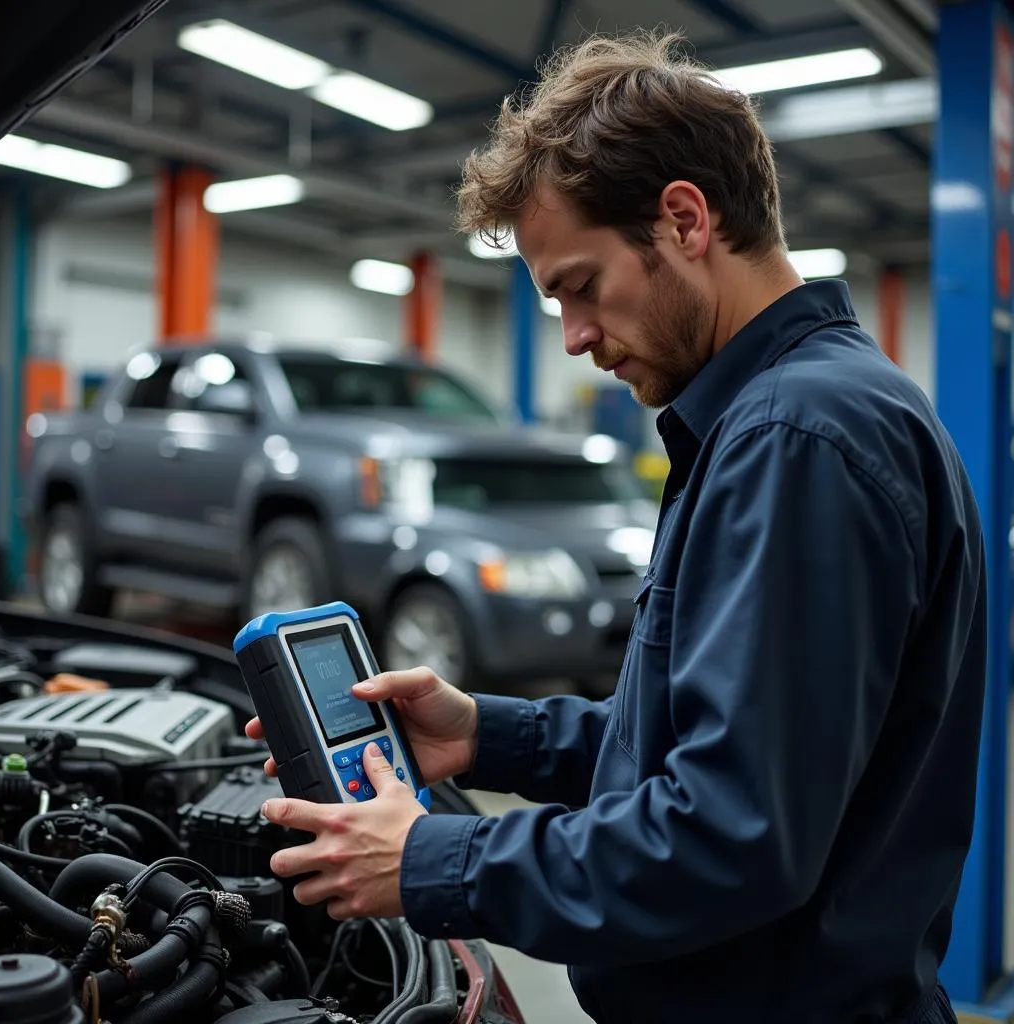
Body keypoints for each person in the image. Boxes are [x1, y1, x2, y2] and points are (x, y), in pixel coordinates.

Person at [246, 29, 986, 1024]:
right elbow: (711, 748)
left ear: (683, 219)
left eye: (581, 286)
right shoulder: (787, 415)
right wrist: (486, 735)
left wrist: (435, 859)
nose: (576, 337)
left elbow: (730, 832)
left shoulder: (795, 435)